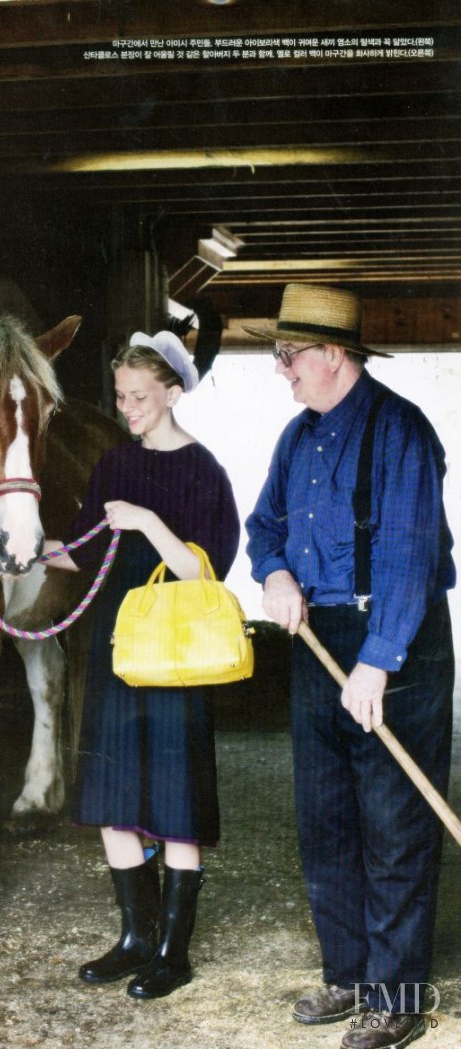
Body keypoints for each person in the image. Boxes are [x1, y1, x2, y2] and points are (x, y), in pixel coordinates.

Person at [244, 284, 455, 1049]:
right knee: (326, 814)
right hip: (319, 638)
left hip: (395, 639)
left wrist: (377, 664)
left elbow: (409, 558)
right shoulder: (297, 438)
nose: (281, 369)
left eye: (289, 354)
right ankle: (349, 972)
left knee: (394, 819)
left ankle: (397, 997)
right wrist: (273, 573)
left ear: (335, 354)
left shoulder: (401, 431)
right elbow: (262, 524)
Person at [45, 330, 240, 1000]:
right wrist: (28, 551)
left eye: (140, 396)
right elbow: (85, 549)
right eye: (122, 395)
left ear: (174, 392)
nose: (127, 407)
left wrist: (148, 522)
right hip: (118, 649)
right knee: (112, 798)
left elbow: (205, 572)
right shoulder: (114, 465)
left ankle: (172, 951)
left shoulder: (205, 472)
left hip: (178, 655)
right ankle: (135, 937)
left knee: (177, 803)